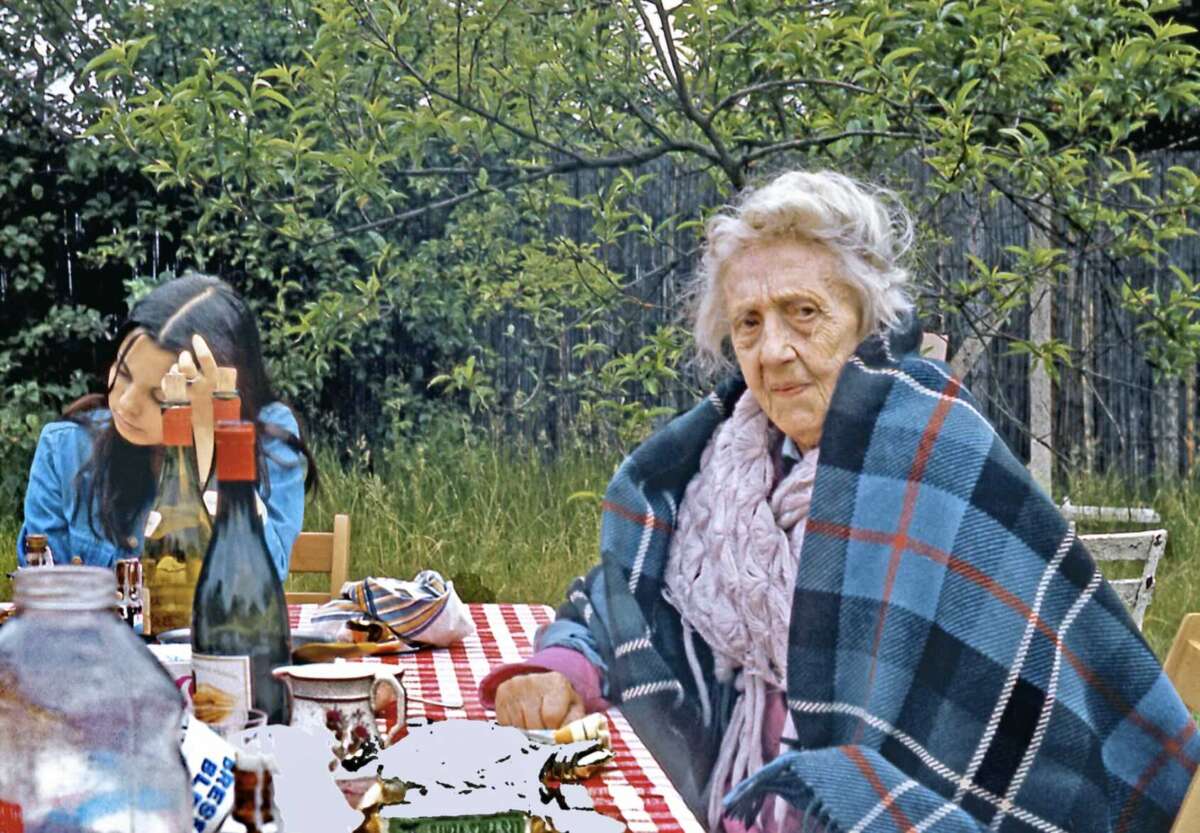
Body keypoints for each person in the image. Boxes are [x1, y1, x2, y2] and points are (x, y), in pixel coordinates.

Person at [480, 171, 1200, 832]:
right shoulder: (720, 461)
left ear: (863, 318)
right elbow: (621, 605)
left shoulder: (931, 449)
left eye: (802, 312)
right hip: (726, 807)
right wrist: (563, 666)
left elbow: (1043, 698)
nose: (774, 350)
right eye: (750, 323)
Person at [17, 272, 317, 579]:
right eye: (123, 373)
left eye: (160, 397)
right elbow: (44, 592)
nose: (126, 403)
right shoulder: (65, 449)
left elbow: (261, 579)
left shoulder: (268, 437)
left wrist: (209, 440)